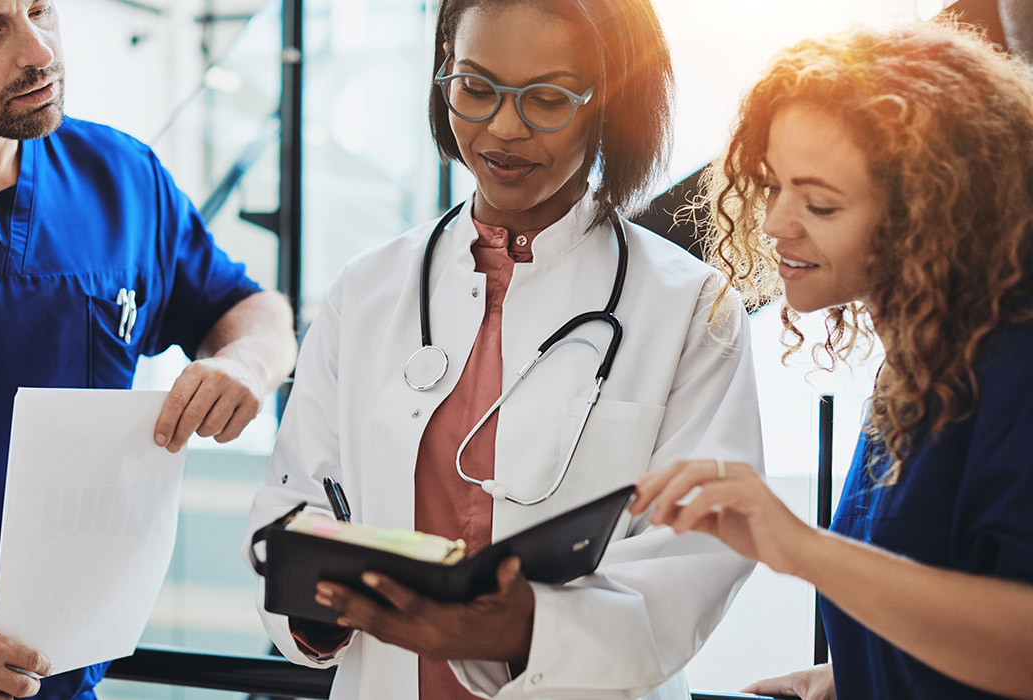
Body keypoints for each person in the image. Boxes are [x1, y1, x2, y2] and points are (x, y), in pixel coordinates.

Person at [241, 1, 763, 698]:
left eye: (547, 98)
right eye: (476, 88)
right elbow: (295, 499)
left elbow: (696, 560)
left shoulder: (692, 309)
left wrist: (527, 629)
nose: (505, 128)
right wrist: (315, 605)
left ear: (612, 103)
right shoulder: (365, 290)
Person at [0, 1, 297, 699]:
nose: (38, 50)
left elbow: (246, 307)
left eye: (42, 10)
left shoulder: (122, 177)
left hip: (63, 678)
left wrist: (246, 363)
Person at [629, 21, 1033, 700]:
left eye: (819, 203)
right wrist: (856, 675)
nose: (774, 224)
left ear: (927, 214)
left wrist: (802, 548)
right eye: (771, 186)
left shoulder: (1014, 369)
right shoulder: (919, 362)